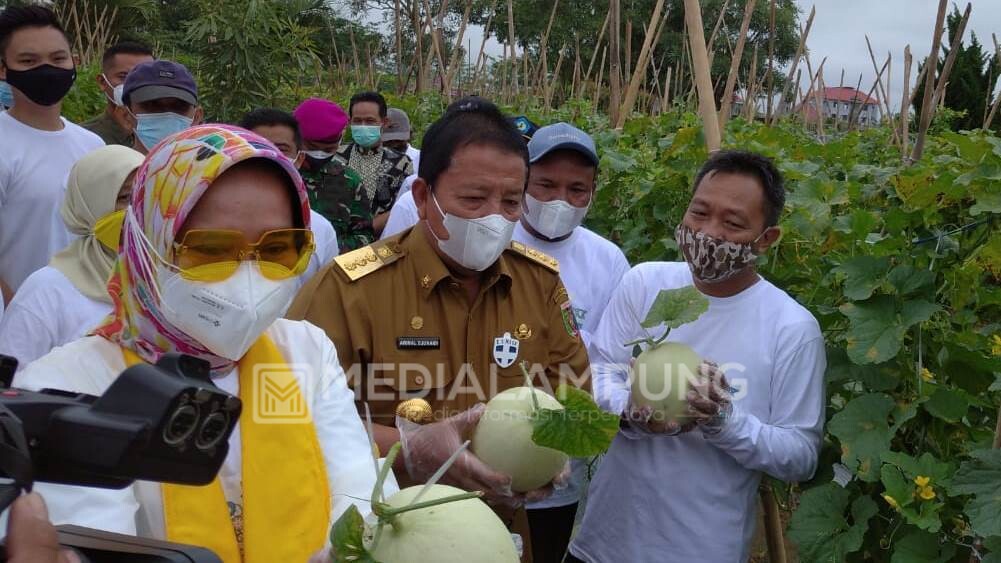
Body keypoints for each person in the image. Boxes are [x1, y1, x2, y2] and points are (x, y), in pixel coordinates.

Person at [14, 125, 392, 561]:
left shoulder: (302, 350)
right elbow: (95, 543)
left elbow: (358, 498)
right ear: (147, 243)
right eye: (211, 249)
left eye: (278, 249)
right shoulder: (67, 386)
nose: (248, 276)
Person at [287, 98, 589, 562]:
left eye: (511, 201)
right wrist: (407, 449)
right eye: (473, 198)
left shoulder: (539, 283)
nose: (494, 216)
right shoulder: (351, 289)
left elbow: (571, 392)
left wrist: (548, 457)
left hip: (501, 537)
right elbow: (291, 419)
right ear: (424, 195)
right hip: (388, 536)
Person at [567, 150, 826, 563]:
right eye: (699, 212)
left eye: (733, 223)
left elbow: (800, 455)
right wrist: (630, 408)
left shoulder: (791, 328)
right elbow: (596, 373)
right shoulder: (645, 283)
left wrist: (725, 421)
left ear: (767, 239)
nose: (708, 232)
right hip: (603, 542)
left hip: (701, 549)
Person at [513, 123, 630, 563]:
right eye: (545, 184)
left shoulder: (608, 260)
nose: (559, 199)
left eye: (576, 188)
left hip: (559, 467)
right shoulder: (495, 242)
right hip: (485, 451)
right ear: (523, 181)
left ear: (593, 193)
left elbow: (610, 360)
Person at [0, 145, 144, 370]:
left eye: (144, 194)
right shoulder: (47, 292)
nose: (137, 209)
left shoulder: (163, 283)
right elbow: (10, 385)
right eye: (125, 197)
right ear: (90, 205)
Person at [0, 5, 105, 294]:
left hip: (84, 322)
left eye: (58, 58)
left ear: (74, 62)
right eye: (28, 60)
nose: (46, 69)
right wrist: (21, 313)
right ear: (3, 69)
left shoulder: (92, 145)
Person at [238, 107, 340, 278]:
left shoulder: (320, 230)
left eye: (281, 149)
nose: (269, 154)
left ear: (299, 159)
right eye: (257, 145)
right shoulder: (209, 219)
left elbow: (325, 294)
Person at [293, 97, 371, 253]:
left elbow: (365, 235)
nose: (319, 155)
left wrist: (328, 249)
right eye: (312, 147)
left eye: (328, 150)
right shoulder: (280, 175)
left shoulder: (349, 181)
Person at [337, 91, 413, 237]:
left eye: (370, 121)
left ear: (384, 123)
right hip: (337, 240)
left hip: (381, 243)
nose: (363, 126)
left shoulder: (401, 163)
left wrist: (371, 226)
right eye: (357, 121)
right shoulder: (337, 156)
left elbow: (403, 207)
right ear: (350, 121)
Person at [81, 40, 154, 146]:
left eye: (147, 77)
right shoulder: (82, 137)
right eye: (124, 77)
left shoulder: (169, 136)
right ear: (102, 82)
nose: (137, 85)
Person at [122, 59, 202, 154]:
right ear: (126, 116)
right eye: (152, 105)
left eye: (179, 106)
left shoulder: (214, 168)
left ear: (196, 117)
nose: (167, 115)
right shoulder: (110, 167)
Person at [383, 107, 420, 171]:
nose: (394, 144)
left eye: (398, 140)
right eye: (389, 141)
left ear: (410, 135)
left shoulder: (421, 160)